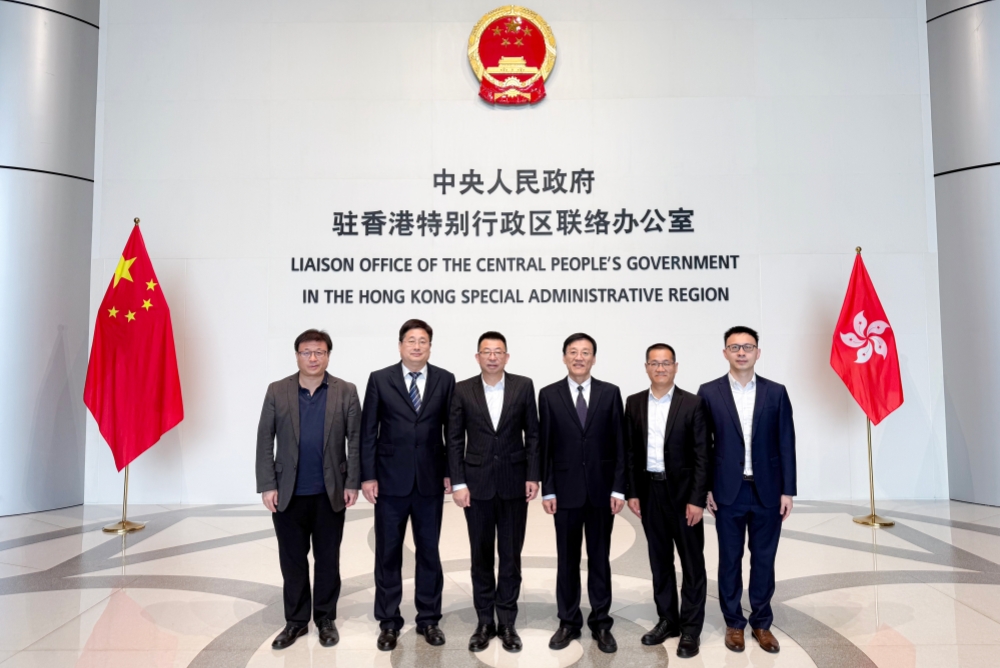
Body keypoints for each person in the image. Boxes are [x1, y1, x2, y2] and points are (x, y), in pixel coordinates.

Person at [255, 329, 361, 650]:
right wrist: (267, 485)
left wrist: (352, 482)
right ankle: (296, 621)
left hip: (331, 492)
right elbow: (265, 439)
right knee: (293, 560)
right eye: (306, 352)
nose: (313, 358)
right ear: (297, 355)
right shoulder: (277, 390)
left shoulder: (346, 391)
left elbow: (355, 441)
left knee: (328, 559)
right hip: (288, 492)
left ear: (328, 355)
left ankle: (325, 618)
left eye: (319, 352)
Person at [697, 326, 796, 654]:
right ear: (725, 352)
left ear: (758, 352)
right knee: (730, 559)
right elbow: (703, 446)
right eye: (735, 347)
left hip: (768, 490)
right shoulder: (709, 392)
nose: (741, 352)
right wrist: (706, 488)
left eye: (748, 346)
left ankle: (762, 623)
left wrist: (788, 490)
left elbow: (786, 442)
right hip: (728, 490)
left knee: (764, 559)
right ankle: (734, 623)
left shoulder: (776, 392)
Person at [360, 319, 456, 651]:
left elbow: (451, 431)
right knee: (388, 553)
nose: (417, 346)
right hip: (389, 481)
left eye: (423, 341)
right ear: (400, 345)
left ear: (430, 346)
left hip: (430, 480)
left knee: (429, 552)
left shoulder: (445, 379)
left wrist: (450, 471)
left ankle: (429, 619)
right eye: (411, 340)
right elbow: (368, 431)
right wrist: (368, 475)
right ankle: (388, 622)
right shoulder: (380, 379)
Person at [448, 331, 540, 653]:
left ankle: (508, 622)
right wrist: (458, 483)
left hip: (514, 484)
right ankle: (485, 621)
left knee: (511, 556)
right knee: (481, 557)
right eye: (486, 351)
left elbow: (533, 434)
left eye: (498, 351)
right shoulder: (462, 390)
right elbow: (454, 439)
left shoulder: (523, 386)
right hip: (477, 487)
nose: (492, 356)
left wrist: (533, 475)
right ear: (477, 357)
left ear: (506, 356)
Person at [539, 333, 626, 654]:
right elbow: (545, 447)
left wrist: (619, 487)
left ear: (594, 358)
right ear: (564, 357)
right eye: (573, 352)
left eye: (585, 352)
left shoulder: (610, 393)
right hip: (565, 492)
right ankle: (568, 621)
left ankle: (601, 623)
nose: (579, 357)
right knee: (567, 560)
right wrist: (548, 489)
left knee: (600, 559)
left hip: (602, 491)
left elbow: (620, 444)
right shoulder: (548, 395)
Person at [624, 343, 709, 658]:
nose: (660, 368)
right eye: (654, 363)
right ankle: (668, 620)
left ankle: (691, 628)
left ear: (675, 367)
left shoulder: (693, 403)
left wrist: (697, 499)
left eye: (666, 363)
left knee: (692, 562)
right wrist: (633, 491)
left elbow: (703, 454)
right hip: (650, 493)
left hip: (684, 496)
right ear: (646, 367)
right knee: (659, 561)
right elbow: (630, 452)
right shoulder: (634, 402)